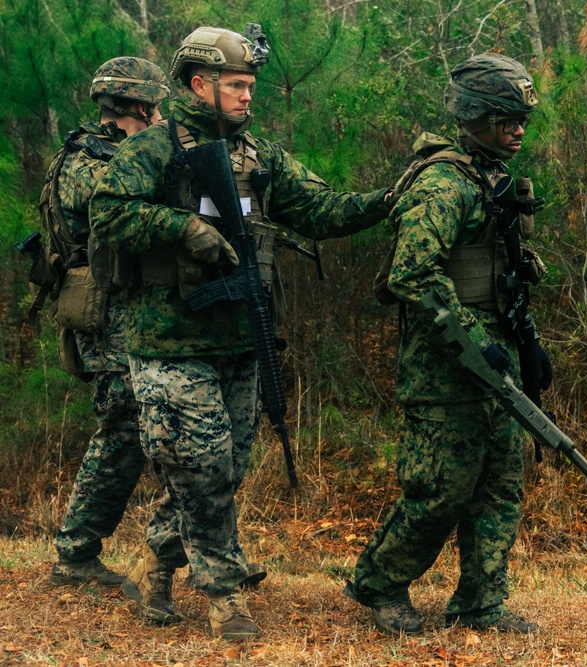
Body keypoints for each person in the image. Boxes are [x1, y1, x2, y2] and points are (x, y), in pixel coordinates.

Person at [90, 24, 393, 640]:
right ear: (200, 85)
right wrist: (182, 229)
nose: (247, 96)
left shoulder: (260, 155)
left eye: (250, 85)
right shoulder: (152, 149)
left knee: (222, 469)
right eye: (235, 84)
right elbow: (108, 211)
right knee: (200, 465)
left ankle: (158, 558)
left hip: (240, 340)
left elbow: (320, 209)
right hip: (169, 342)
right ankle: (225, 595)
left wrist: (389, 200)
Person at [343, 53, 549, 635]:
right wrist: (477, 342)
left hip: (495, 361)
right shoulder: (442, 184)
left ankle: (481, 601)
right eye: (506, 118)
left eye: (522, 119)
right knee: (439, 489)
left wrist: (522, 344)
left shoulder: (492, 180)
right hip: (443, 369)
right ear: (477, 117)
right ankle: (380, 584)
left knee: (499, 487)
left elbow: (496, 270)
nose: (517, 129)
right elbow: (412, 275)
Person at [46, 57, 169, 588]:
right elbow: (122, 217)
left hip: (123, 310)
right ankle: (76, 553)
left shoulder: (108, 155)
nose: (163, 116)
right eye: (158, 107)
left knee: (137, 430)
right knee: (124, 428)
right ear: (139, 106)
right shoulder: (89, 161)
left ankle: (175, 548)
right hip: (105, 314)